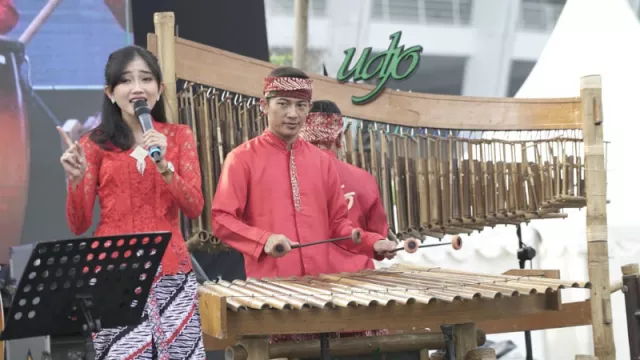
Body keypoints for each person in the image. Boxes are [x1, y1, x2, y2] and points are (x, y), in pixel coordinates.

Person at [58, 45, 206, 359]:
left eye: (146, 79)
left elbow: (194, 206)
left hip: (171, 272)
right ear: (111, 93)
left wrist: (165, 166)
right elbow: (79, 224)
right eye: (126, 81)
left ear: (159, 89)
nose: (137, 88)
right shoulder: (94, 143)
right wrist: (75, 180)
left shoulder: (179, 137)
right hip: (113, 274)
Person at [210, 66, 397, 280]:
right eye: (283, 104)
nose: (292, 114)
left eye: (300, 106)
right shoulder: (241, 158)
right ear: (264, 106)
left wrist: (373, 243)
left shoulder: (322, 162)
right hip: (270, 286)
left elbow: (338, 226)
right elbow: (222, 219)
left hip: (319, 286)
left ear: (308, 109)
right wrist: (264, 240)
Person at [299, 100, 396, 272]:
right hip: (357, 281)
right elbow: (378, 232)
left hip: (302, 281)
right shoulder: (363, 178)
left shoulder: (285, 177)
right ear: (338, 138)